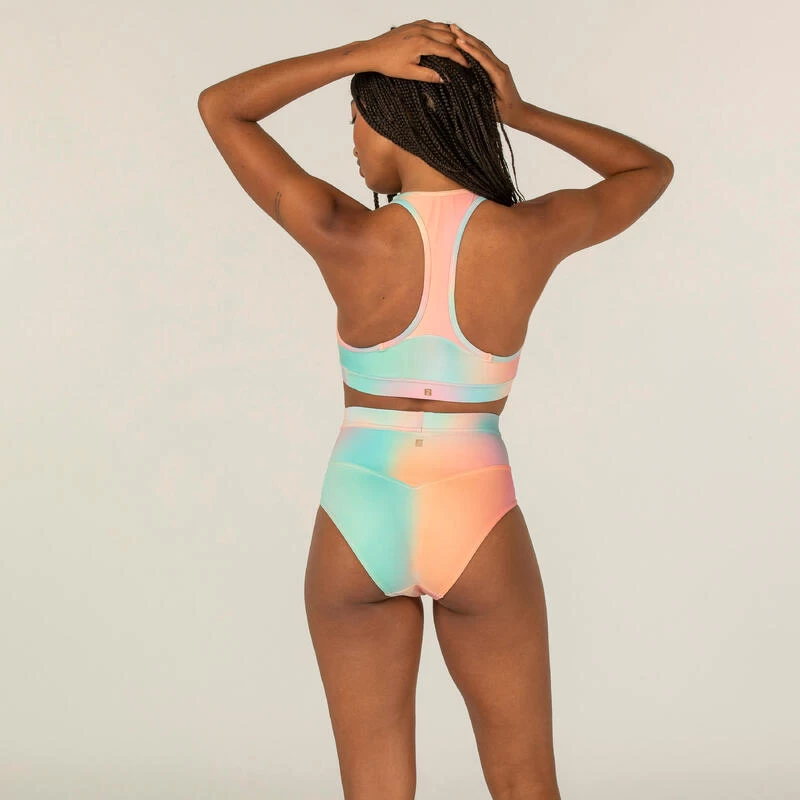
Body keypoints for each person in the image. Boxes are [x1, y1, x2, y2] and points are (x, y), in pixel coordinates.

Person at [198, 19, 673, 800]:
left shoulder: (340, 229)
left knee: (374, 788)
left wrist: (358, 57)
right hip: (474, 505)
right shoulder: (530, 233)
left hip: (359, 506)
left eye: (356, 120)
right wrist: (519, 113)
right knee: (524, 779)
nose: (354, 144)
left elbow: (222, 107)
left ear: (391, 122)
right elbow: (648, 170)